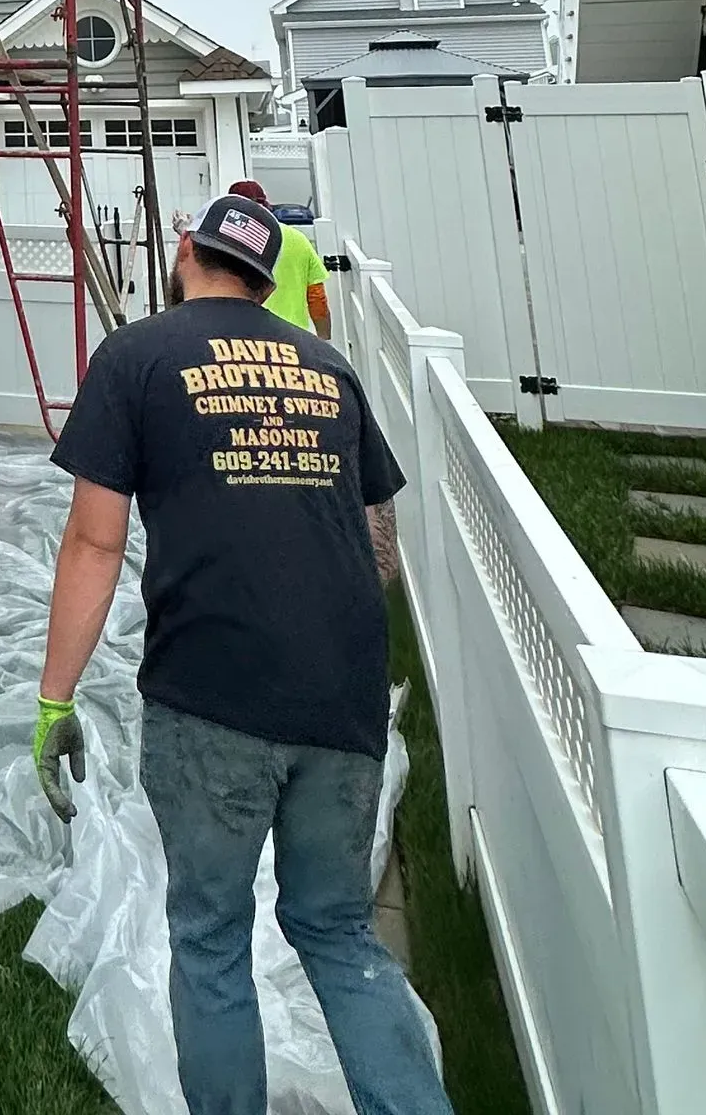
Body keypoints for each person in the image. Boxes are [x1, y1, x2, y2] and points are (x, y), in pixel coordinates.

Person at [33, 193, 452, 1115]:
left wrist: (56, 702)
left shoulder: (138, 356)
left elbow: (95, 543)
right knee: (339, 930)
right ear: (268, 282)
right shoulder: (328, 368)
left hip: (213, 693)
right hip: (345, 697)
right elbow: (380, 543)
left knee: (212, 934)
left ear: (186, 252)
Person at [229, 177, 330, 336]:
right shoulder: (298, 240)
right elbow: (317, 298)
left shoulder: (229, 243)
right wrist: (324, 341)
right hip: (293, 338)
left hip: (246, 340)